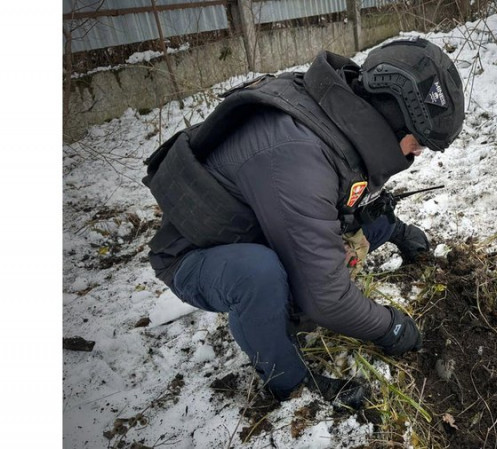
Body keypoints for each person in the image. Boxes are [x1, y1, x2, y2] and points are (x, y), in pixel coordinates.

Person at [142, 37, 465, 409]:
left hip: (264, 225)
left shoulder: (338, 115)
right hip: (196, 255)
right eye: (418, 143)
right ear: (394, 118)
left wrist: (397, 231)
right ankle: (288, 382)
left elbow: (351, 203)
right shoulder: (298, 157)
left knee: (358, 222)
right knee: (258, 275)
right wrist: (392, 327)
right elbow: (326, 301)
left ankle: (296, 291)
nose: (418, 153)